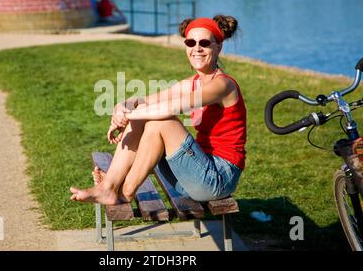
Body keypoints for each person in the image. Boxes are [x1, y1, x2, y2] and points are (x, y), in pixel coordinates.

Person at [70, 15, 246, 205]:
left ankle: (123, 192)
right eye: (190, 42)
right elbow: (143, 101)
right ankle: (109, 187)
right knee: (147, 115)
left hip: (217, 179)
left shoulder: (222, 85)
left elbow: (169, 108)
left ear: (218, 47)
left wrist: (130, 116)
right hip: (192, 175)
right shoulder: (193, 82)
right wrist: (120, 108)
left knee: (162, 121)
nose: (197, 48)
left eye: (204, 42)